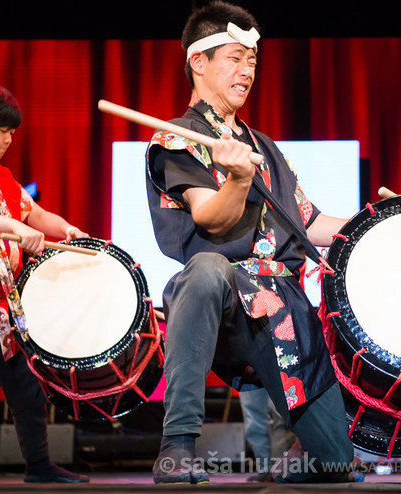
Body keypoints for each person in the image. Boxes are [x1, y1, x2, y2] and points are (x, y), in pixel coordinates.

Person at [145, 1, 360, 484]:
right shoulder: (177, 139)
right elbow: (212, 220)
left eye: (252, 61)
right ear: (198, 62)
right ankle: (177, 446)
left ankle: (294, 462)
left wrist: (380, 225)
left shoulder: (264, 147)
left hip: (280, 305)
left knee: (335, 463)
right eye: (234, 59)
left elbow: (309, 222)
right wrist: (238, 178)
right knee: (203, 270)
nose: (247, 71)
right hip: (223, 297)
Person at [0, 83, 89, 483]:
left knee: (27, 383)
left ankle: (39, 466)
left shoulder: (1, 178)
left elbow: (37, 215)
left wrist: (67, 230)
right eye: (1, 129)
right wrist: (10, 227)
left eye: (12, 131)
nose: (9, 139)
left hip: (0, 305)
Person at [239, 387, 295, 482]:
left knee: (283, 416)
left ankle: (282, 469)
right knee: (253, 418)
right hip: (247, 374)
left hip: (277, 372)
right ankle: (264, 469)